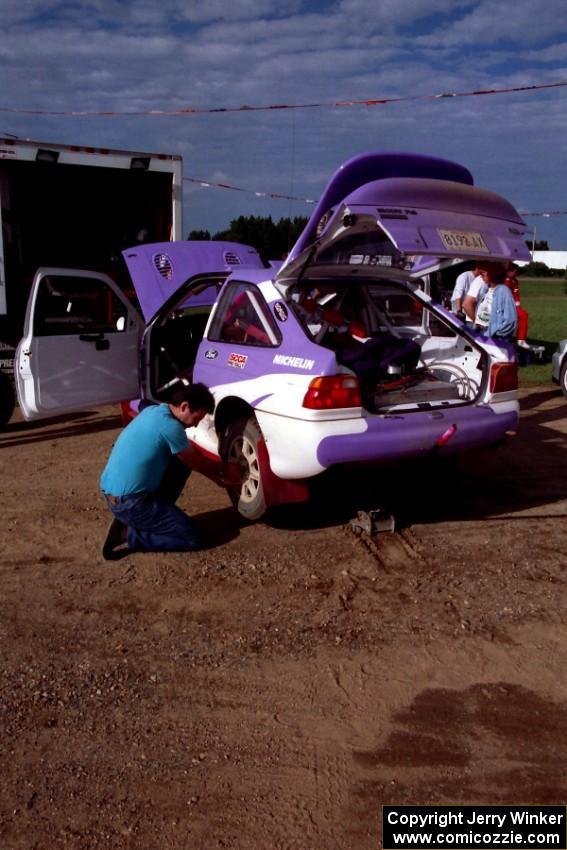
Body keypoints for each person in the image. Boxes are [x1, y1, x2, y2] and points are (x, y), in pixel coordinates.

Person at [100, 382, 240, 559]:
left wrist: (217, 479)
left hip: (113, 494)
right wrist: (226, 468)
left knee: (180, 463)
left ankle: (145, 518)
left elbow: (191, 461)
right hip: (130, 503)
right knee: (193, 538)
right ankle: (128, 534)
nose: (196, 425)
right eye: (197, 418)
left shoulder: (154, 411)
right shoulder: (171, 427)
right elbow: (198, 463)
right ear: (184, 406)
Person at [472, 261, 517, 339]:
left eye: (483, 273)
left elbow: (511, 320)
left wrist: (497, 334)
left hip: (492, 336)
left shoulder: (503, 291)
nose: (481, 276)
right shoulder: (488, 289)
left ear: (494, 273)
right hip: (481, 332)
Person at [504, 262, 529, 347]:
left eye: (515, 270)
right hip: (504, 307)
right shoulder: (504, 281)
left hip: (512, 306)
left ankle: (521, 339)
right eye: (513, 270)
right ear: (508, 271)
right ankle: (510, 338)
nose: (515, 272)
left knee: (523, 314)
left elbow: (516, 295)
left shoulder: (514, 281)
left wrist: (518, 307)